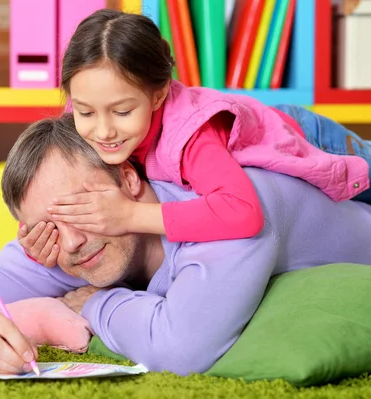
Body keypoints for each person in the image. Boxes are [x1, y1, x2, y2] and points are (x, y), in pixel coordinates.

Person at [0, 114, 371, 376]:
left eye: (80, 209)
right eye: (49, 227)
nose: (70, 242)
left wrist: (94, 303)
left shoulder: (224, 208)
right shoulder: (65, 242)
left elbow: (181, 350)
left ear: (129, 179)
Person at [18, 9, 371, 268]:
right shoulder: (84, 120)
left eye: (123, 112)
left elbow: (244, 214)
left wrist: (130, 215)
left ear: (158, 96)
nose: (103, 131)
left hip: (309, 138)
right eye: (86, 112)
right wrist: (41, 238)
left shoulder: (190, 138)